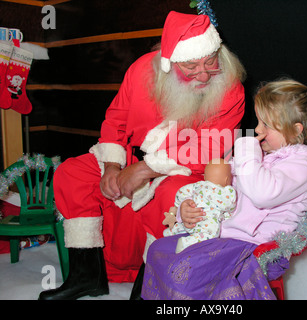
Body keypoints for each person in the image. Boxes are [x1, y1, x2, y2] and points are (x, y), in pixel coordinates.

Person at [39, 11, 246, 300]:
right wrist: (112, 164)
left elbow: (211, 149)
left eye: (210, 61)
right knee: (72, 172)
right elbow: (116, 120)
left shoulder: (231, 88)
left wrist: (145, 169)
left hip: (183, 168)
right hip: (128, 156)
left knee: (174, 195)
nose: (203, 74)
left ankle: (147, 288)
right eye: (190, 65)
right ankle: (86, 276)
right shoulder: (140, 71)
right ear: (169, 63)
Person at [141, 79, 307, 300]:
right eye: (259, 121)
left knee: (186, 271)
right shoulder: (267, 155)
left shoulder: (303, 166)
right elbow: (219, 188)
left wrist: (247, 148)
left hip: (252, 246)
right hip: (224, 235)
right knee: (159, 249)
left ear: (296, 131)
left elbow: (261, 195)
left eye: (266, 125)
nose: (258, 129)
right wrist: (189, 211)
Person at [163, 158, 236, 253]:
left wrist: (179, 205)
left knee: (186, 226)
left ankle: (171, 232)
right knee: (211, 234)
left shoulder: (197, 185)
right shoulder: (225, 192)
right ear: (227, 180)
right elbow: (229, 206)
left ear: (205, 177)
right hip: (206, 219)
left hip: (191, 217)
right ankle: (186, 243)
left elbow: (181, 192)